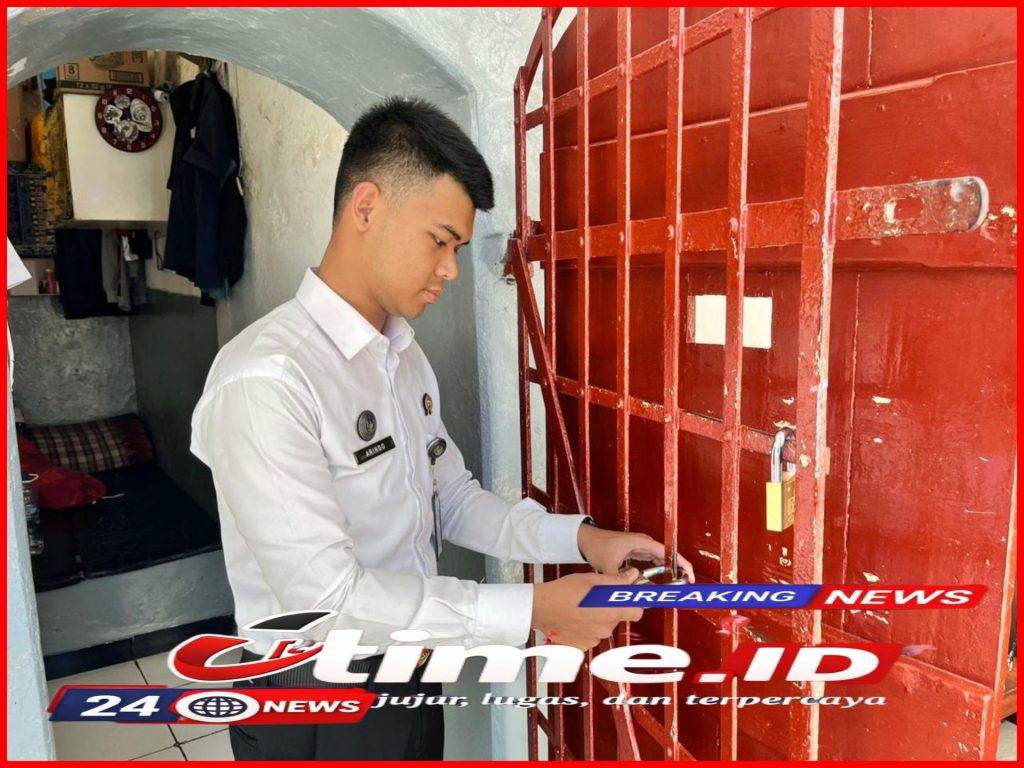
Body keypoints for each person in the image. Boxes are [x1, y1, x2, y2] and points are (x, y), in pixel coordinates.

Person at [190, 96, 694, 761]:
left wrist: (581, 538)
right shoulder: (266, 379)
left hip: (413, 659)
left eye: (456, 247)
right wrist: (534, 610)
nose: (452, 269)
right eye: (440, 240)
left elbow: (451, 498)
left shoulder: (401, 356)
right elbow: (326, 602)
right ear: (366, 207)